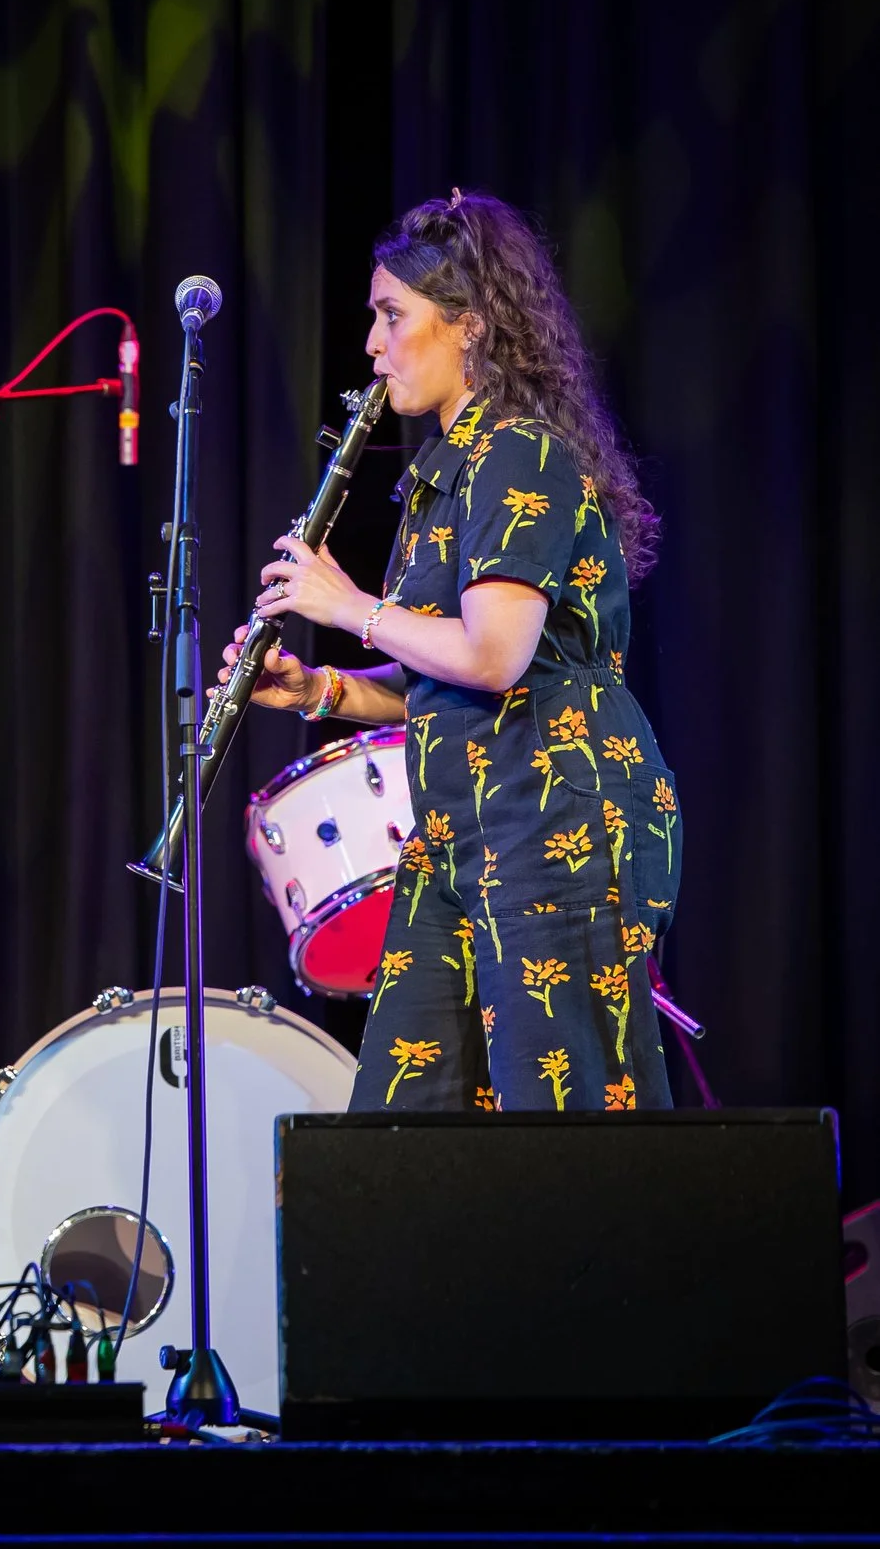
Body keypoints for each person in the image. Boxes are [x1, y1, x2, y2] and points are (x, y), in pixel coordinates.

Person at [219, 188, 678, 1112]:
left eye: (393, 316)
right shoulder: (446, 474)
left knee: (562, 1134)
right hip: (459, 836)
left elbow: (496, 656)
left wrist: (346, 604)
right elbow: (445, 674)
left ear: (468, 325)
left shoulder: (520, 452)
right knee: (403, 1127)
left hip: (559, 826)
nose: (372, 345)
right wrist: (319, 687)